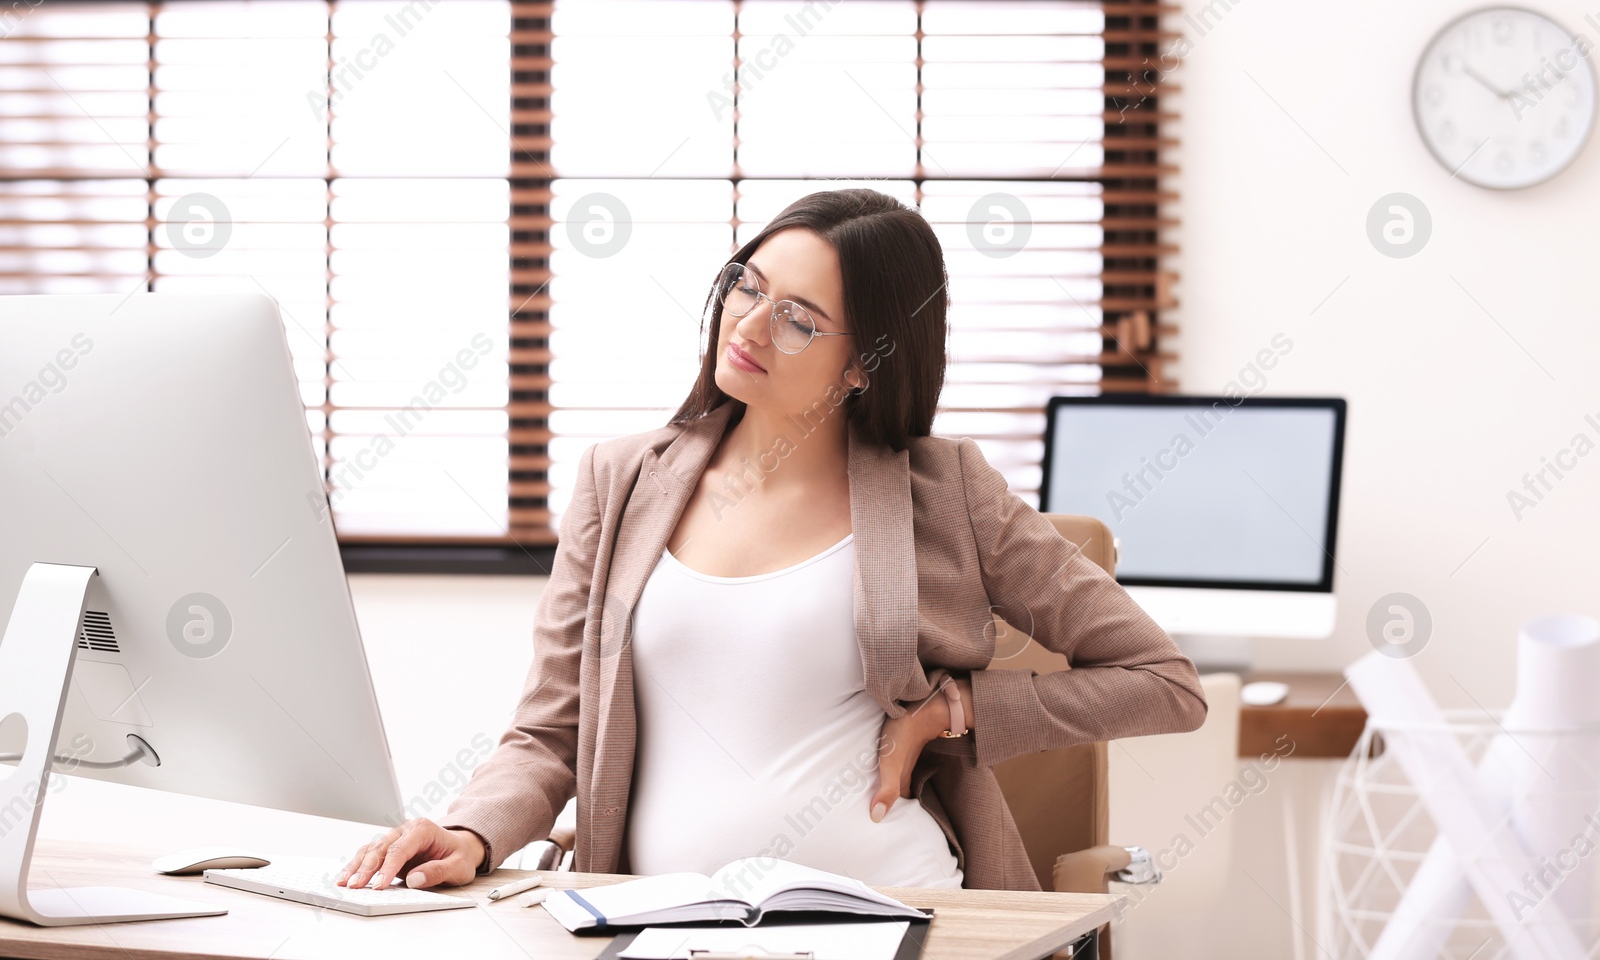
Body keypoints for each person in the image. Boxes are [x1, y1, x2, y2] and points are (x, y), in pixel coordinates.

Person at [339, 187, 1207, 894]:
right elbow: (551, 731)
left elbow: (1165, 684)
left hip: (901, 916)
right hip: (655, 921)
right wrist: (470, 830)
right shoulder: (622, 480)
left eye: (798, 318)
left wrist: (958, 710)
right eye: (747, 286)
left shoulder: (946, 492)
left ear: (867, 360)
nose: (748, 326)